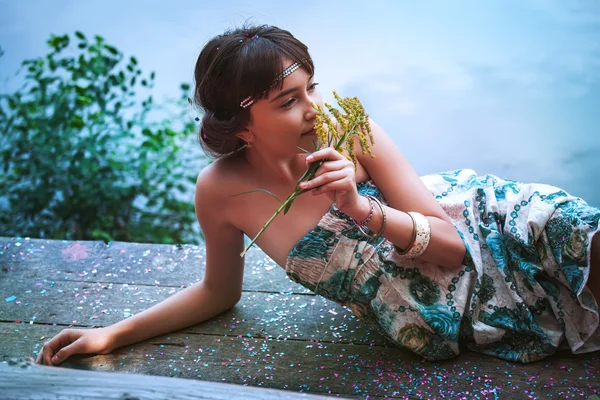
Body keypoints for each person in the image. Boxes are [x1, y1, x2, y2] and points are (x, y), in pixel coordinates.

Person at [36, 24, 600, 366]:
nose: (312, 108)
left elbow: (454, 247)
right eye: (287, 100)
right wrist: (114, 332)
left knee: (579, 237)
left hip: (491, 225)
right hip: (452, 317)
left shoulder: (351, 131)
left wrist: (360, 208)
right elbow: (217, 292)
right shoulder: (221, 193)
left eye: (312, 86)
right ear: (241, 126)